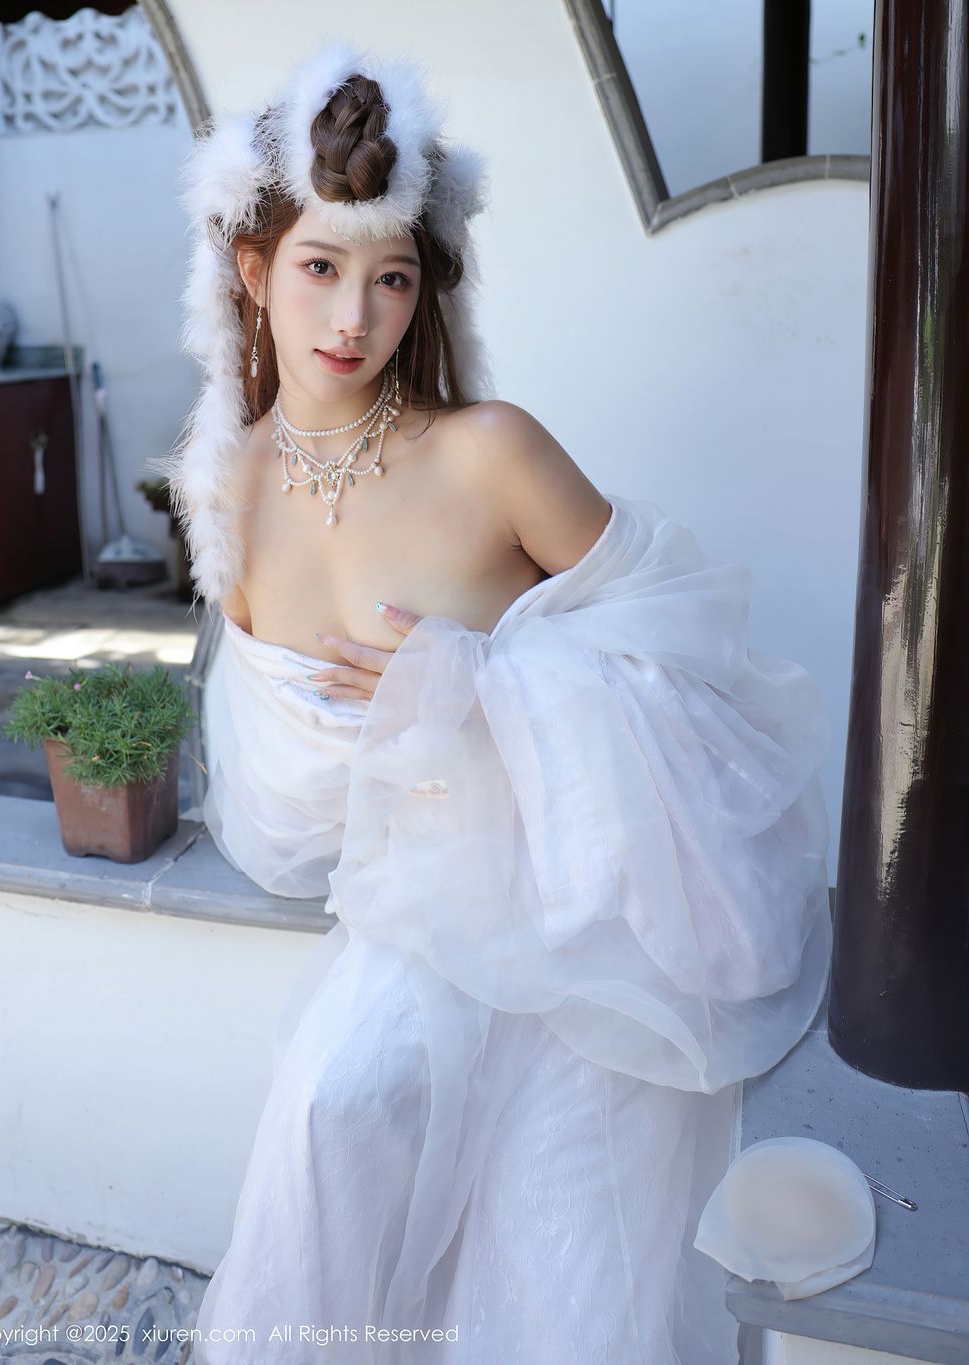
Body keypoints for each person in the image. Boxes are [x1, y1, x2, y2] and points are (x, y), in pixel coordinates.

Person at [153, 39, 833, 1365]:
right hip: (410, 917)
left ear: (426, 289)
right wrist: (400, 760)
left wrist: (474, 687)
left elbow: (688, 648)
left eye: (392, 278)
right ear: (251, 268)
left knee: (562, 1269)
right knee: (326, 1133)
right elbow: (287, 811)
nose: (354, 318)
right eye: (321, 267)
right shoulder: (225, 492)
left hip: (586, 913)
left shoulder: (492, 452)